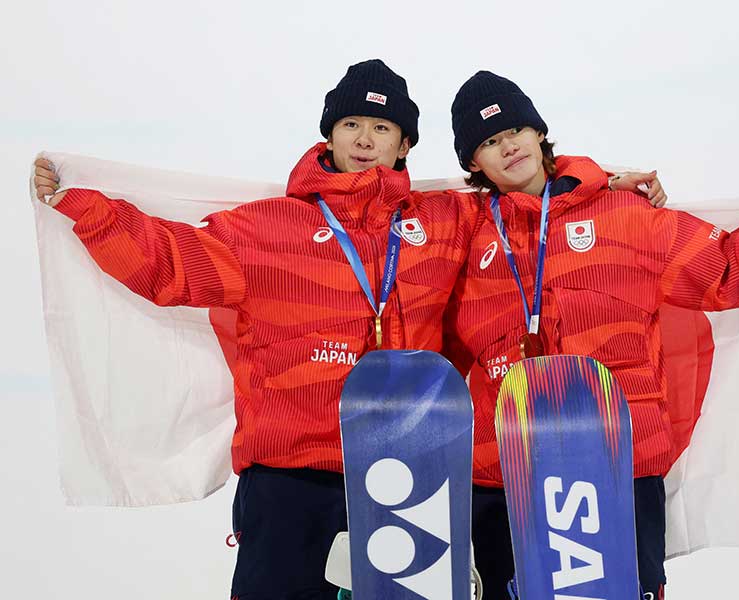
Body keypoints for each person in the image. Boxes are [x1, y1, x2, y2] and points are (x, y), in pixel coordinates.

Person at [32, 59, 666, 600]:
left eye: (382, 127)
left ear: (405, 145)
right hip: (292, 475)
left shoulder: (446, 222)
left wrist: (601, 186)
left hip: (409, 478)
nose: (365, 139)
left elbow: (530, 204)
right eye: (352, 124)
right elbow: (171, 262)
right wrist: (80, 204)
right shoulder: (265, 227)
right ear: (329, 135)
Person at [441, 70, 739, 600]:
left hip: (617, 455)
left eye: (515, 130)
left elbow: (725, 267)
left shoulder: (626, 215)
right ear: (474, 163)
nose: (508, 147)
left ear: (539, 132)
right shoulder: (463, 231)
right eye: (489, 142)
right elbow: (392, 233)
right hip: (503, 466)